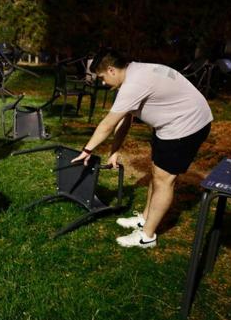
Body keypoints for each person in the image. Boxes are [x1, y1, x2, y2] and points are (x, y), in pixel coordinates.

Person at [72, 49, 213, 248]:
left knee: (164, 179)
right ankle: (145, 219)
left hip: (186, 126)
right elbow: (125, 119)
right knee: (156, 172)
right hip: (170, 123)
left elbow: (107, 124)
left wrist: (86, 151)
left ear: (111, 70)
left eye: (102, 77)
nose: (103, 83)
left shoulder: (134, 84)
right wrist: (114, 151)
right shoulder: (134, 71)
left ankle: (147, 236)